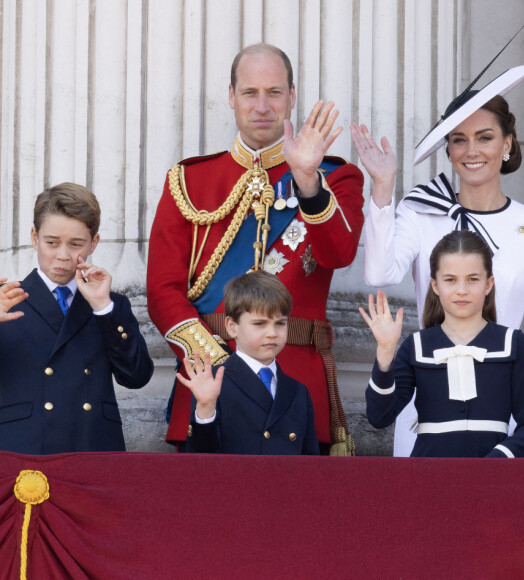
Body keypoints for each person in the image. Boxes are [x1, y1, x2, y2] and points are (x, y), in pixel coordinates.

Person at [148, 43, 364, 455]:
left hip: (297, 386)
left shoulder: (334, 177)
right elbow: (161, 291)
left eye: (275, 92)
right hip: (208, 380)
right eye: (250, 93)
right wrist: (218, 364)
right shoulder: (189, 180)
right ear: (231, 97)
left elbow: (340, 254)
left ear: (292, 96)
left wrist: (307, 183)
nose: (262, 105)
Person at [351, 63, 524, 456]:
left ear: (508, 143)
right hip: (426, 414)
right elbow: (380, 272)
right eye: (459, 139)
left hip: (504, 419)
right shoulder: (420, 211)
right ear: (447, 148)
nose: (472, 151)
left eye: (485, 137)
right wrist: (382, 190)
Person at [360, 230, 524, 458]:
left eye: (473, 279)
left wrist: (497, 462)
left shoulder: (512, 343)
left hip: (493, 482)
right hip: (429, 479)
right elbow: (380, 417)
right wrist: (386, 352)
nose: (461, 290)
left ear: (489, 284)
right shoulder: (416, 346)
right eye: (450, 280)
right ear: (435, 285)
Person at [0, 183, 154, 454]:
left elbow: (137, 376)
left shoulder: (112, 304)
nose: (62, 255)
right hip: (22, 448)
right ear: (34, 238)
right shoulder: (5, 300)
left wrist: (103, 308)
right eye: (51, 242)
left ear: (93, 242)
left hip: (91, 446)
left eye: (76, 244)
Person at [178, 270, 318, 455]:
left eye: (280, 323)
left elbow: (311, 464)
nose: (272, 333)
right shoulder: (213, 384)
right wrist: (205, 409)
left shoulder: (298, 392)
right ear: (232, 327)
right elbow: (201, 461)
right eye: (259, 324)